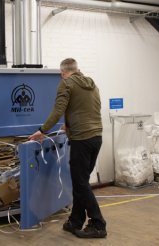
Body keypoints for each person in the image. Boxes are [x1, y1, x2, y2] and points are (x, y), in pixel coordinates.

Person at [28, 58, 107, 238]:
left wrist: (42, 131)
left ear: (63, 73)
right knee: (81, 183)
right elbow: (91, 109)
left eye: (61, 74)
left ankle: (98, 224)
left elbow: (58, 111)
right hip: (96, 137)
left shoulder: (66, 84)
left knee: (80, 183)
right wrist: (69, 125)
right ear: (76, 69)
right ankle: (75, 221)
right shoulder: (92, 84)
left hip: (81, 139)